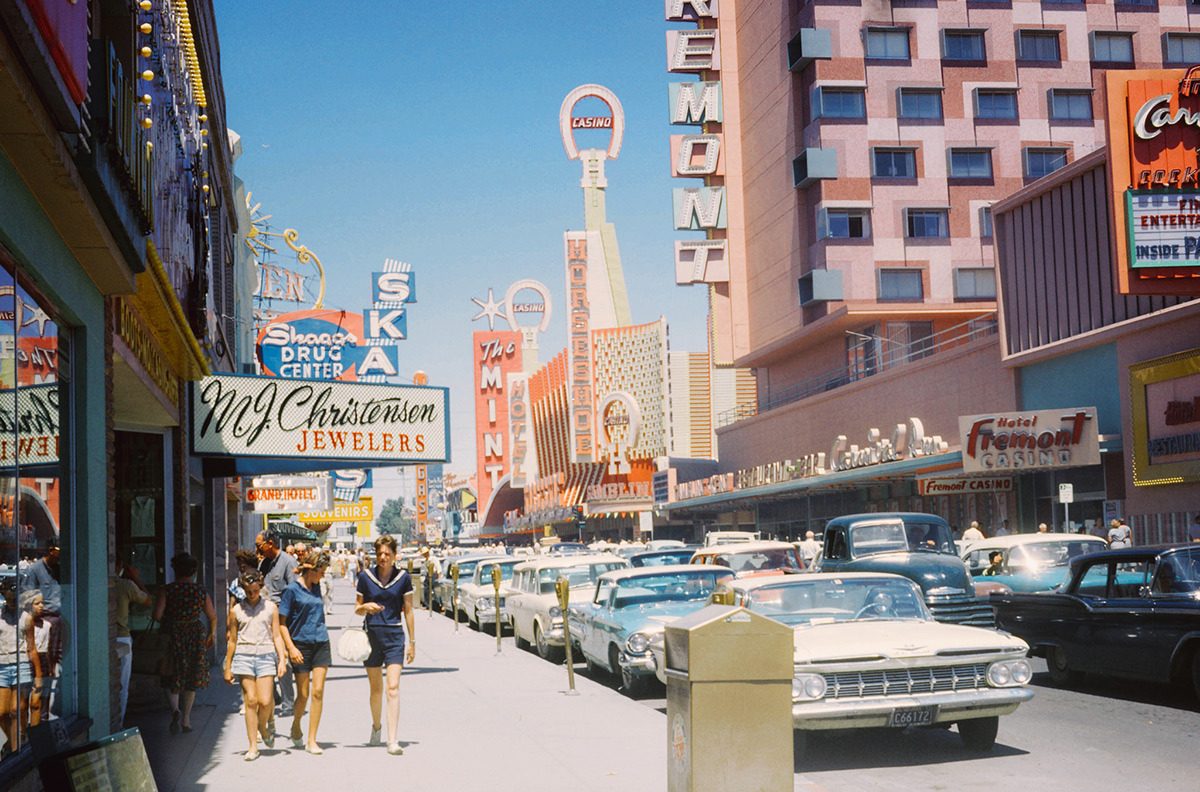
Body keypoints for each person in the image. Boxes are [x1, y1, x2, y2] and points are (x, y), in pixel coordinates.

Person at [355, 535, 416, 756]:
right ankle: (376, 726)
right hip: (372, 637)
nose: (383, 558)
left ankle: (393, 740)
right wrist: (366, 607)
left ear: (394, 555)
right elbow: (357, 608)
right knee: (376, 689)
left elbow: (408, 610)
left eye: (387, 554)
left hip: (394, 637)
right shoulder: (365, 577)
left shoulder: (403, 578)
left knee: (392, 688)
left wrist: (412, 642)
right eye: (380, 554)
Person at [223, 570, 287, 761]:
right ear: (243, 590)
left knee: (266, 701)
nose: (252, 595)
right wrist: (228, 666)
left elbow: (276, 635)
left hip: (266, 655)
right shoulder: (236, 611)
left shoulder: (270, 608)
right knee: (251, 700)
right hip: (244, 656)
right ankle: (252, 746)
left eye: (256, 591)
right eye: (249, 591)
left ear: (261, 588)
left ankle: (263, 727)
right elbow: (232, 640)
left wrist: (282, 659)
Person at [153, 553, 216, 735]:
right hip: (195, 635)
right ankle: (186, 719)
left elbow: (157, 615)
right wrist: (211, 634)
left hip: (172, 634)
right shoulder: (200, 591)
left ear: (175, 570)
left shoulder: (167, 590)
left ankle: (175, 710)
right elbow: (212, 616)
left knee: (170, 674)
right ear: (193, 571)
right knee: (191, 677)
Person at [279, 550, 331, 755]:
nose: (323, 575)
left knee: (317, 692)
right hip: (300, 644)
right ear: (312, 570)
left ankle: (311, 740)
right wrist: (290, 648)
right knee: (303, 694)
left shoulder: (318, 587)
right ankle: (296, 723)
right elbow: (282, 624)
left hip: (321, 642)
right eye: (322, 571)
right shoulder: (291, 590)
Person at [257, 532, 297, 718]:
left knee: (283, 660)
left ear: (270, 543)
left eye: (260, 545)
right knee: (265, 657)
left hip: (282, 618)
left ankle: (289, 703)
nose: (257, 549)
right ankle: (274, 695)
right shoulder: (263, 564)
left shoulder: (288, 562)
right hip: (263, 616)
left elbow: (294, 592)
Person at [0, 578, 40, 757]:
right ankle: (14, 739)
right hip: (1, 666)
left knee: (17, 710)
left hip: (21, 664)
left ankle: (17, 753)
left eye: (15, 598)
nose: (12, 602)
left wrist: (38, 675)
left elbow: (31, 648)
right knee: (2, 712)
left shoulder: (26, 618)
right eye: (9, 598)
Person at [112, 554, 152, 725]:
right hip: (122, 636)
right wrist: (135, 578)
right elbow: (148, 600)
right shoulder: (125, 585)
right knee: (122, 684)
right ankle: (118, 723)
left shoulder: (99, 583)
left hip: (106, 636)